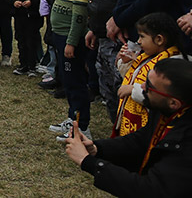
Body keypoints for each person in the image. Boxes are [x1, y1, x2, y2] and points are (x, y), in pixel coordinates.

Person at [65, 58, 192, 195]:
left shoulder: (186, 145)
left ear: (174, 103)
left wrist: (88, 162)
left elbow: (149, 190)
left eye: (149, 86)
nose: (142, 87)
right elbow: (142, 140)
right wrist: (97, 149)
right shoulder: (165, 109)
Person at [114, 12, 186, 138]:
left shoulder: (174, 64)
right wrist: (127, 62)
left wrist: (133, 90)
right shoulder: (147, 56)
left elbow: (161, 96)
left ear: (159, 39)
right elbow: (133, 77)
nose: (138, 41)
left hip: (151, 126)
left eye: (142, 37)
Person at [46, 0, 94, 141]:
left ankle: (81, 127)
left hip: (69, 39)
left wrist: (71, 42)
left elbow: (79, 15)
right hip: (61, 37)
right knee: (69, 80)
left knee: (75, 82)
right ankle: (72, 118)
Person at [6, 0, 47, 76]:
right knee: (20, 39)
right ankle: (23, 64)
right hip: (19, 14)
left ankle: (33, 65)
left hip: (33, 15)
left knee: (32, 40)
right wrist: (13, 2)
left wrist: (32, 2)